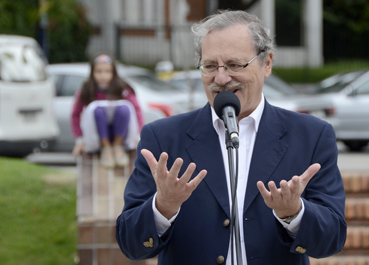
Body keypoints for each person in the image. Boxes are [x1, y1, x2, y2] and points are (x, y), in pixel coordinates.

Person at [116, 10, 346, 265]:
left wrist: (294, 213)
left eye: (234, 65)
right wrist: (163, 207)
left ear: (267, 63)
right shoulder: (162, 138)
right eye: (210, 66)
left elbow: (332, 240)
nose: (221, 78)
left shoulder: (312, 136)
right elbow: (131, 245)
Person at [71, 54, 144, 168]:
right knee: (98, 110)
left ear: (113, 72)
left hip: (121, 134)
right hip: (97, 135)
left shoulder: (122, 88)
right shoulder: (86, 89)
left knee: (124, 108)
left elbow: (137, 110)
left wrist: (138, 136)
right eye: (99, 72)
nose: (103, 76)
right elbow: (75, 114)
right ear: (92, 73)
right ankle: (106, 148)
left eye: (107, 71)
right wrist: (79, 140)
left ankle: (116, 146)